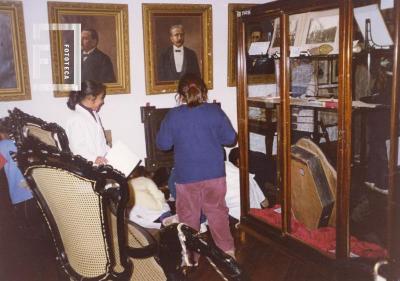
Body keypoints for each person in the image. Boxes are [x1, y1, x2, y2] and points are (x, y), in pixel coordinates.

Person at [156, 73, 237, 259]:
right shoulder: (215, 111)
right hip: (214, 175)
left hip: (186, 177)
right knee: (217, 213)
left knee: (188, 216)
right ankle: (228, 252)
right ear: (204, 93)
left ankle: (190, 256)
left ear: (180, 95)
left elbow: (163, 144)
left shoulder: (173, 115)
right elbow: (231, 139)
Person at [65, 80, 109, 165]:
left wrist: (110, 152)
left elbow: (101, 142)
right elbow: (77, 149)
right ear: (91, 98)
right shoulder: (76, 119)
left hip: (101, 163)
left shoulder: (94, 114)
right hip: (87, 166)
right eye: (101, 98)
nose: (102, 101)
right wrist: (94, 158)